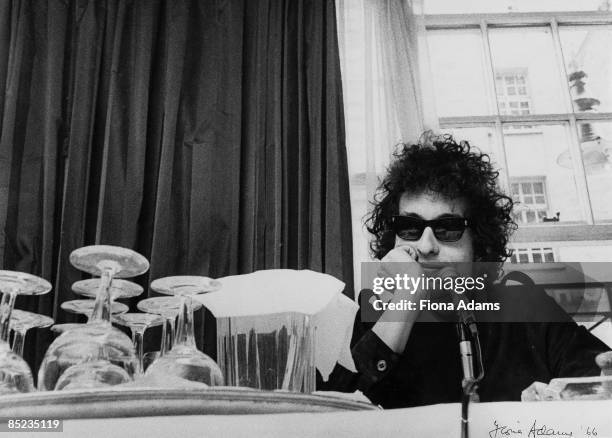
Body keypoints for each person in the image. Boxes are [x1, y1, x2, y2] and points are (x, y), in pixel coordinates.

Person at [322, 134, 612, 408]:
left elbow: (596, 378)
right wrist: (406, 300)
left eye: (447, 229)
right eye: (409, 228)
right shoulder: (373, 312)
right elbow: (332, 417)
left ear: (478, 243)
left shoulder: (528, 308)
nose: (426, 246)